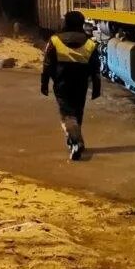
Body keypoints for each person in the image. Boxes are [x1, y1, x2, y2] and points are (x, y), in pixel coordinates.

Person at [41, 11, 100, 160]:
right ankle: (75, 140)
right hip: (81, 83)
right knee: (78, 111)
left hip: (62, 83)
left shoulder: (55, 40)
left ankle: (75, 143)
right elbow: (95, 68)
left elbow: (47, 64)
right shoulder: (89, 43)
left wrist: (44, 83)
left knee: (67, 114)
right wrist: (97, 88)